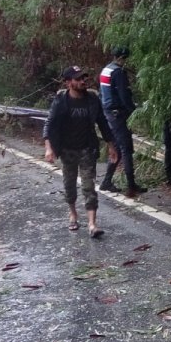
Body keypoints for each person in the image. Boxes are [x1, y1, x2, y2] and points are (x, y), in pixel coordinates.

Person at [43, 66, 118, 239]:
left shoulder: (92, 99)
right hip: (67, 149)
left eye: (84, 78)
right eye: (78, 79)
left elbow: (102, 123)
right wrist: (49, 147)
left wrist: (111, 145)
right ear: (68, 82)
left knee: (89, 187)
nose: (83, 81)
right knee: (69, 185)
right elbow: (50, 124)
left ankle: (92, 224)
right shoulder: (61, 101)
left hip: (87, 148)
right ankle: (73, 214)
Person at [98, 47, 145, 197]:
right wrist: (133, 112)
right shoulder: (118, 72)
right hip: (118, 114)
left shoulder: (106, 70)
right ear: (122, 58)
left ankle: (106, 181)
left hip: (108, 113)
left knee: (118, 147)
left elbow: (102, 94)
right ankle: (131, 185)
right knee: (126, 149)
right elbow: (124, 96)